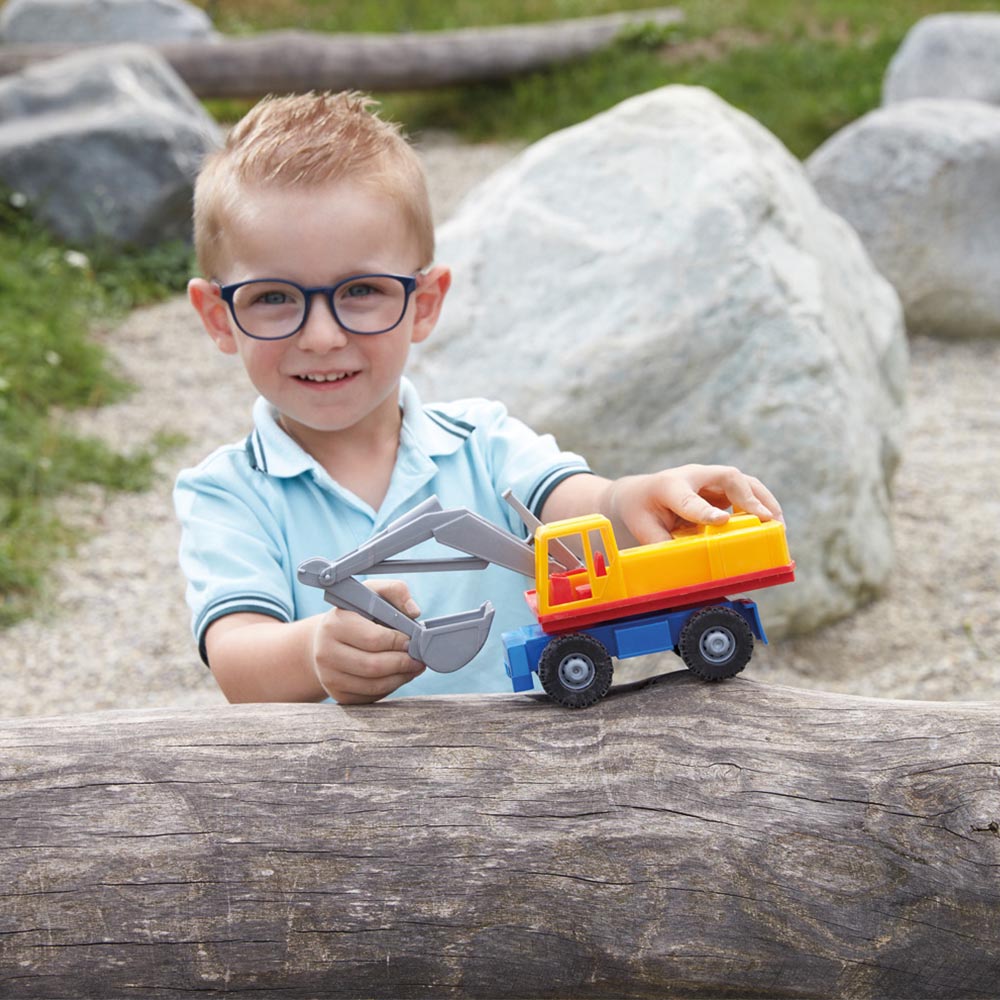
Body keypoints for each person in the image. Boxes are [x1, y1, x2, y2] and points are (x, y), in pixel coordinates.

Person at [175, 91, 782, 707]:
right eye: (273, 298)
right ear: (218, 317)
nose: (323, 336)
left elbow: (581, 511)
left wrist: (637, 499)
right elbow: (237, 659)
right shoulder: (227, 493)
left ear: (426, 302)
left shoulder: (483, 442)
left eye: (360, 290)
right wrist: (312, 653)